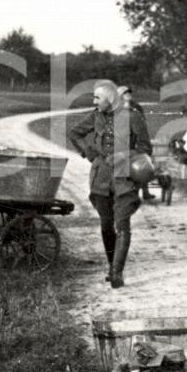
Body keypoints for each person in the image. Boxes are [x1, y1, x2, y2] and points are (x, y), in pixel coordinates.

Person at [67, 80, 152, 288]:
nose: (94, 102)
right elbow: (74, 133)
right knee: (106, 225)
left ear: (110, 99)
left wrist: (125, 154)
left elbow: (145, 147)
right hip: (101, 177)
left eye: (98, 98)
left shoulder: (133, 116)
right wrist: (90, 153)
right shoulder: (96, 116)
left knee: (122, 224)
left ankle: (117, 273)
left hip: (125, 178)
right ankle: (110, 266)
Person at [117, 85, 154, 200]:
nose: (127, 94)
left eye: (128, 92)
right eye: (124, 93)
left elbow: (142, 124)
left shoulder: (137, 107)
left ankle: (145, 191)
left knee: (142, 162)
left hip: (135, 140)